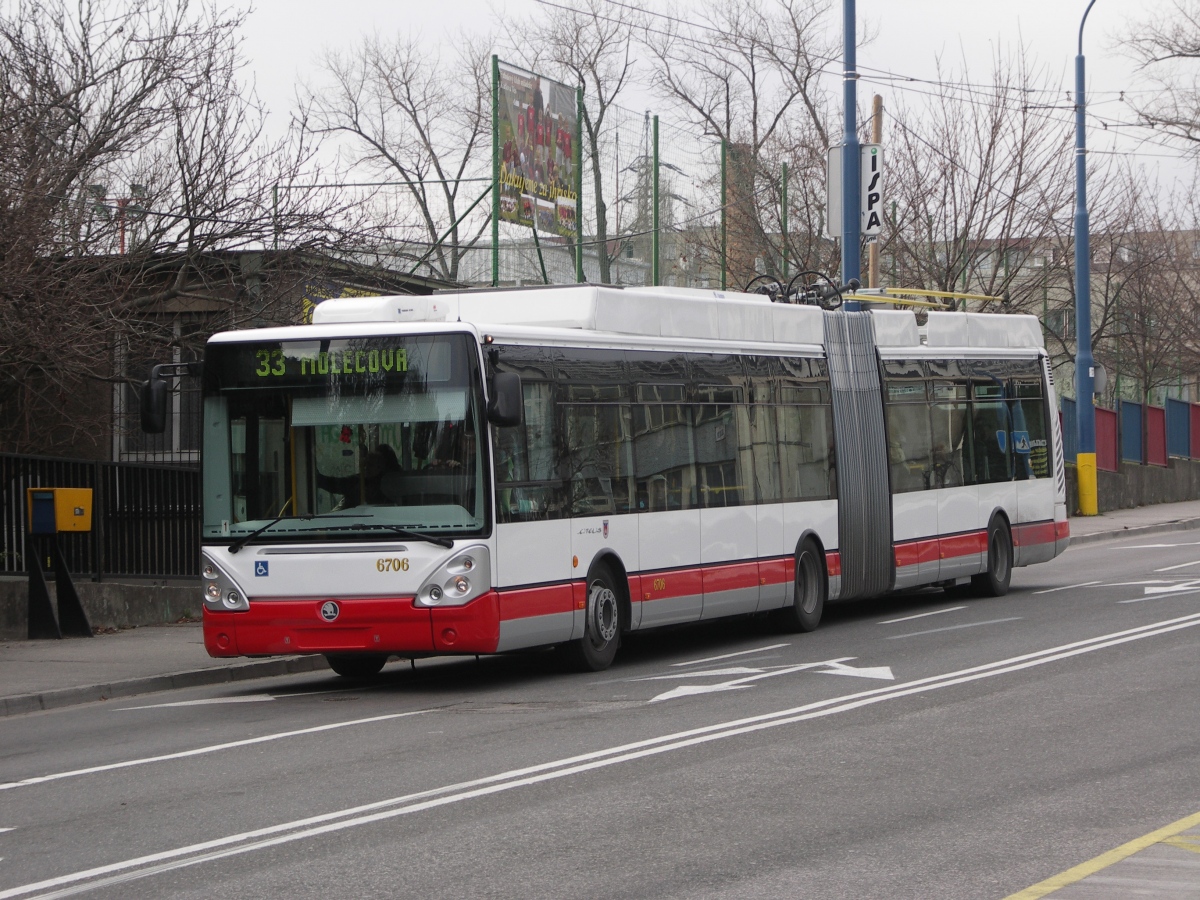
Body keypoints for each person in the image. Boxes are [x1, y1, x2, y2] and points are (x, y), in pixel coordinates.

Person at [316, 444, 399, 508]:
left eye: (370, 465)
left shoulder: (386, 485)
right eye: (365, 464)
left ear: (380, 467)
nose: (366, 467)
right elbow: (337, 484)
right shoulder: (358, 479)